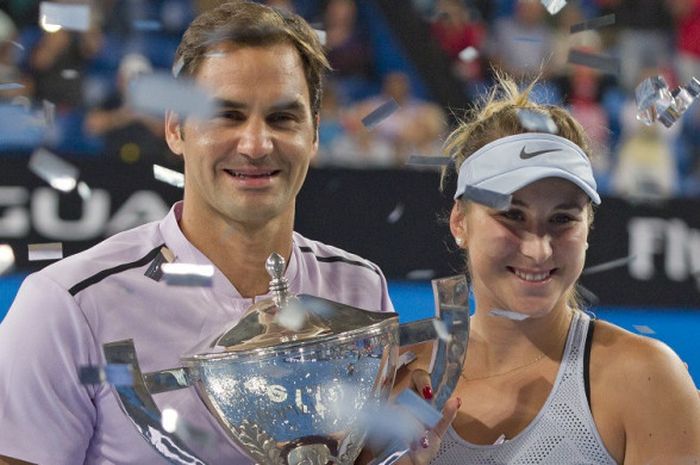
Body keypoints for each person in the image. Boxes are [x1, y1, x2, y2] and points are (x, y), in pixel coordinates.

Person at [0, 2, 394, 464]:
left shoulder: (360, 288)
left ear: (314, 134)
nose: (256, 144)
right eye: (226, 115)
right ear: (175, 128)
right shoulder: (67, 306)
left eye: (283, 118)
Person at [392, 74, 700, 465]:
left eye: (562, 219)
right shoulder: (399, 377)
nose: (538, 249)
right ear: (460, 223)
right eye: (511, 216)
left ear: (588, 228)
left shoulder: (649, 381)